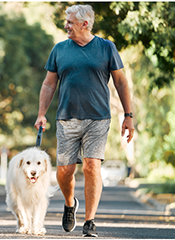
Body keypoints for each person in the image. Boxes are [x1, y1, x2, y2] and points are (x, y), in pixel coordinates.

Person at [34, 4, 134, 237]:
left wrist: (128, 115)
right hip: (66, 118)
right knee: (64, 171)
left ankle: (90, 222)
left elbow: (121, 82)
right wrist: (41, 113)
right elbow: (49, 84)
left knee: (92, 166)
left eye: (69, 22)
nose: (65, 25)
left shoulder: (106, 47)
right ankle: (70, 204)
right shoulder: (59, 49)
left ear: (84, 24)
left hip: (98, 118)